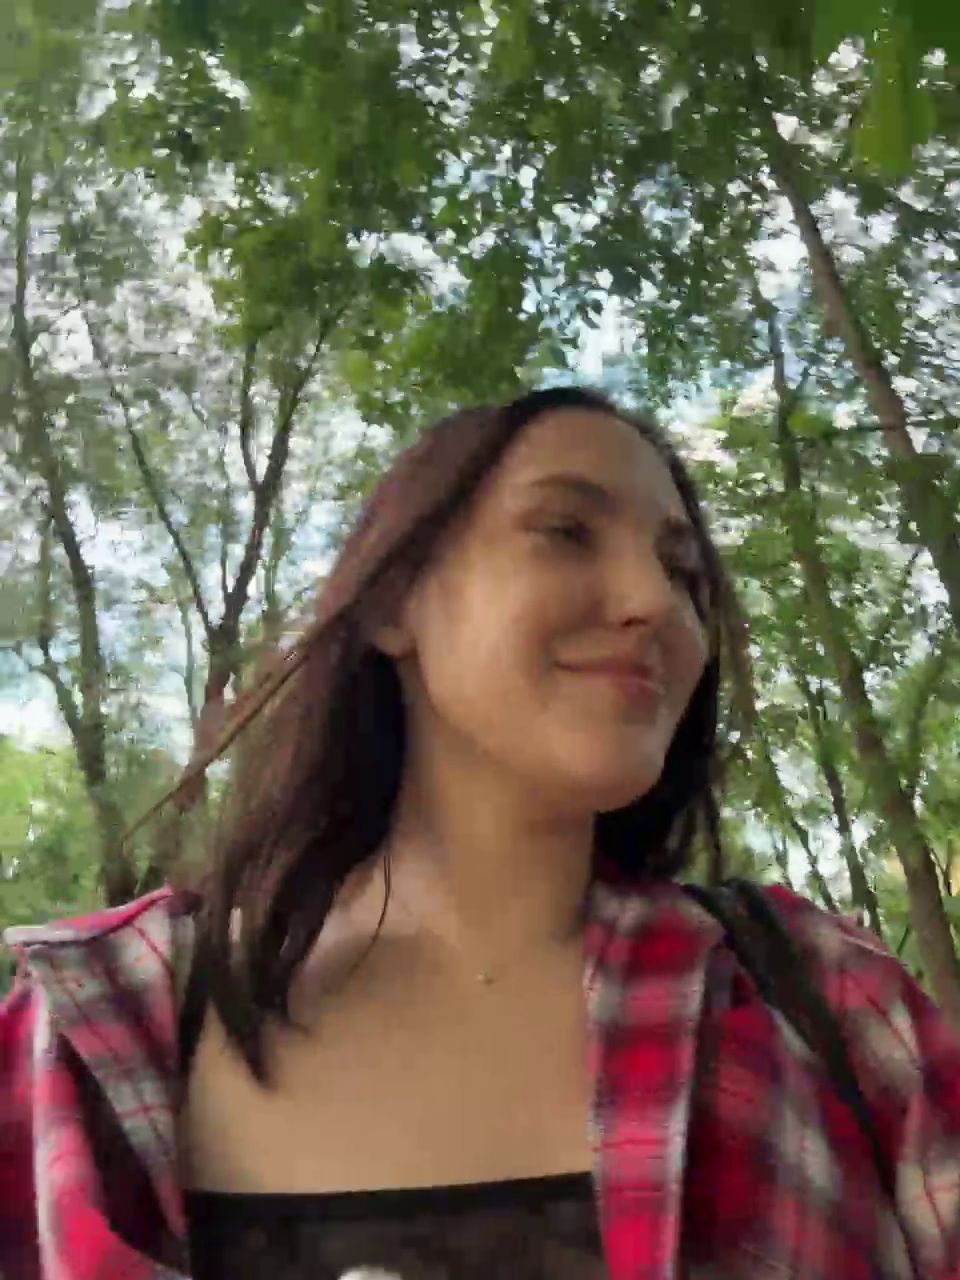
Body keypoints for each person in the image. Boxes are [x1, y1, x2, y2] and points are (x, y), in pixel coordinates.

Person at [3, 385, 960, 1280]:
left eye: (684, 574)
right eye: (566, 531)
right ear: (393, 602)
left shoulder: (833, 1004)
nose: (654, 602)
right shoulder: (91, 1032)